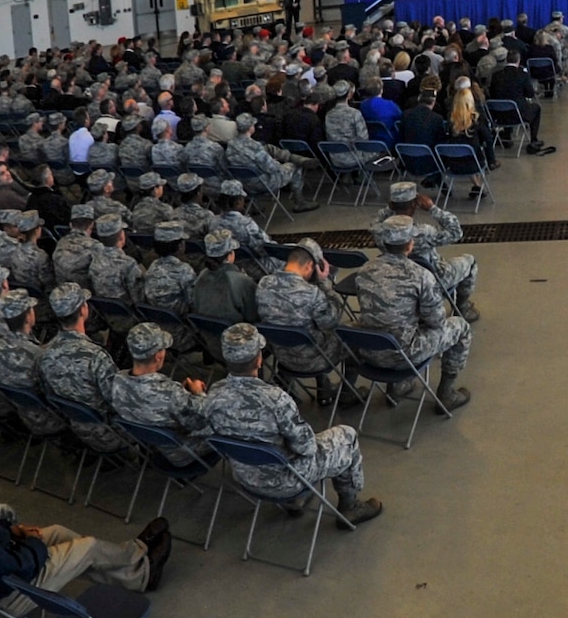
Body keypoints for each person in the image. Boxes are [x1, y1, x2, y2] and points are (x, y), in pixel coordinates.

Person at [0, 425, 170, 618]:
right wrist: (34, 545)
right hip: (4, 594)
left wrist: (10, 530)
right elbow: (11, 568)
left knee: (60, 533)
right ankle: (143, 569)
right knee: (87, 547)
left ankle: (133, 567)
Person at [202, 324, 384, 525]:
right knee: (346, 436)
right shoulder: (275, 399)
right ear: (259, 360)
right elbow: (307, 447)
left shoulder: (213, 395)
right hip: (287, 479)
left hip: (247, 477)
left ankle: (295, 501)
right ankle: (350, 507)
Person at [355, 216, 473, 411]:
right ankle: (446, 394)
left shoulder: (364, 271)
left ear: (384, 243)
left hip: (369, 352)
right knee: (461, 328)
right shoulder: (421, 275)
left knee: (384, 325)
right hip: (406, 355)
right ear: (410, 245)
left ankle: (397, 387)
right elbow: (437, 321)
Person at [254, 239, 354, 405]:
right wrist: (323, 283)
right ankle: (347, 393)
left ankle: (322, 388)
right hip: (314, 360)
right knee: (350, 336)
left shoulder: (264, 284)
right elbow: (331, 321)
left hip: (282, 356)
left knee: (307, 331)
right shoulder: (311, 293)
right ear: (309, 266)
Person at [38, 285, 129, 454]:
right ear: (83, 310)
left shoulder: (44, 354)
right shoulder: (95, 357)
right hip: (111, 433)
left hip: (77, 430)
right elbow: (118, 401)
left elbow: (49, 394)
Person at [108, 324, 212, 466]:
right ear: (158, 356)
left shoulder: (118, 381)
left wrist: (181, 397)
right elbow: (201, 419)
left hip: (154, 447)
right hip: (184, 452)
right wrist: (198, 392)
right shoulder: (170, 392)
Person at [380, 181, 481, 321]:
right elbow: (456, 232)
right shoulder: (423, 232)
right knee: (470, 261)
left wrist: (393, 206)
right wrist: (433, 209)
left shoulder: (380, 230)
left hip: (397, 280)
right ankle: (462, 308)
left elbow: (379, 219)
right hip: (430, 281)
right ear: (415, 204)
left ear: (391, 204)